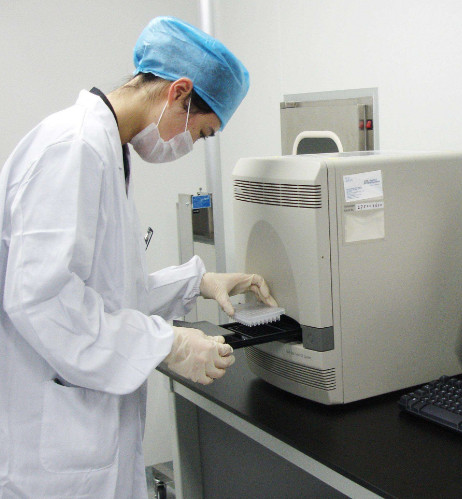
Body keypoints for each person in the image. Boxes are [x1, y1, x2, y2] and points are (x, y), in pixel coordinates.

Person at [0, 16, 275, 498]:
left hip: (84, 431)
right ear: (179, 92)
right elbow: (41, 300)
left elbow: (108, 294)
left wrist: (197, 281)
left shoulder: (110, 151)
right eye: (201, 133)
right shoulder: (73, 148)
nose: (192, 146)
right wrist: (165, 344)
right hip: (52, 449)